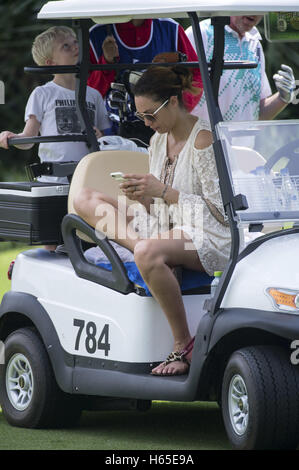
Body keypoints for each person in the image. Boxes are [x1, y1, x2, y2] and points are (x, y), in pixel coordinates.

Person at [74, 66, 231, 376]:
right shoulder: (159, 140)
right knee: (84, 199)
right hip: (166, 222)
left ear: (173, 102)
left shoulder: (203, 141)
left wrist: (163, 191)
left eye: (150, 116)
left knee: (148, 252)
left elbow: (221, 214)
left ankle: (182, 343)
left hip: (207, 233)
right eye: (142, 117)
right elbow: (159, 203)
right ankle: (141, 248)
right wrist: (141, 195)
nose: (146, 123)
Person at [0, 26, 111, 183]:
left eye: (75, 42)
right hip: (54, 179)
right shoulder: (42, 94)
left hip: (89, 177)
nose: (75, 47)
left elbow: (104, 137)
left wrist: (99, 135)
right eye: (65, 46)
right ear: (50, 62)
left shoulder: (94, 94)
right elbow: (29, 138)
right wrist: (11, 137)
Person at [88, 19, 203, 121]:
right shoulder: (95, 35)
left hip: (164, 130)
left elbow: (197, 76)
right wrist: (106, 63)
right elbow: (89, 96)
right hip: (114, 135)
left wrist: (177, 110)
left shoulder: (171, 28)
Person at [186, 16, 296, 121]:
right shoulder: (200, 33)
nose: (253, 12)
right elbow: (175, 100)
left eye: (258, 6)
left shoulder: (255, 42)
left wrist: (282, 98)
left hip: (245, 140)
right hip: (204, 140)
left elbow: (256, 116)